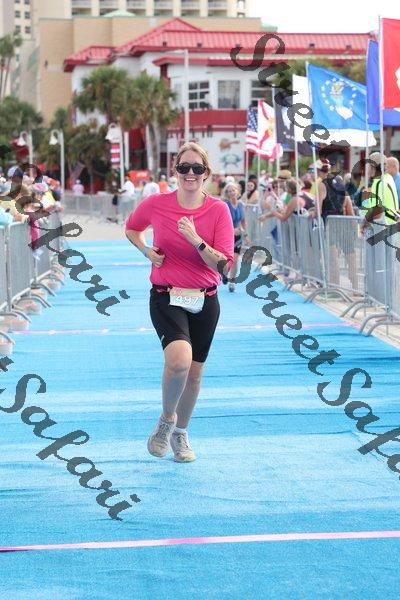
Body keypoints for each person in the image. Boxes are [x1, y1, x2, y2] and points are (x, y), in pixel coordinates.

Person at [125, 142, 234, 463]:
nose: (190, 174)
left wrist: (195, 240)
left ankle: (181, 433)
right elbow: (132, 228)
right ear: (175, 171)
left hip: (206, 299)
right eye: (184, 167)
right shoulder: (156, 203)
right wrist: (147, 251)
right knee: (179, 361)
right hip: (166, 294)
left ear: (206, 173)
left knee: (195, 373)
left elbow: (225, 265)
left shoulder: (218, 210)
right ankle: (166, 420)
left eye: (197, 168)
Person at [222, 182, 249, 292]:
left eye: (233, 190)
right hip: (226, 236)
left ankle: (232, 282)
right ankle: (224, 273)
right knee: (228, 259)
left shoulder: (242, 205)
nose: (232, 193)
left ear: (237, 191)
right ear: (227, 194)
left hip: (238, 236)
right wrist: (231, 230)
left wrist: (246, 234)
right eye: (229, 191)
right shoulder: (225, 205)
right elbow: (222, 222)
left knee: (235, 259)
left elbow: (243, 221)